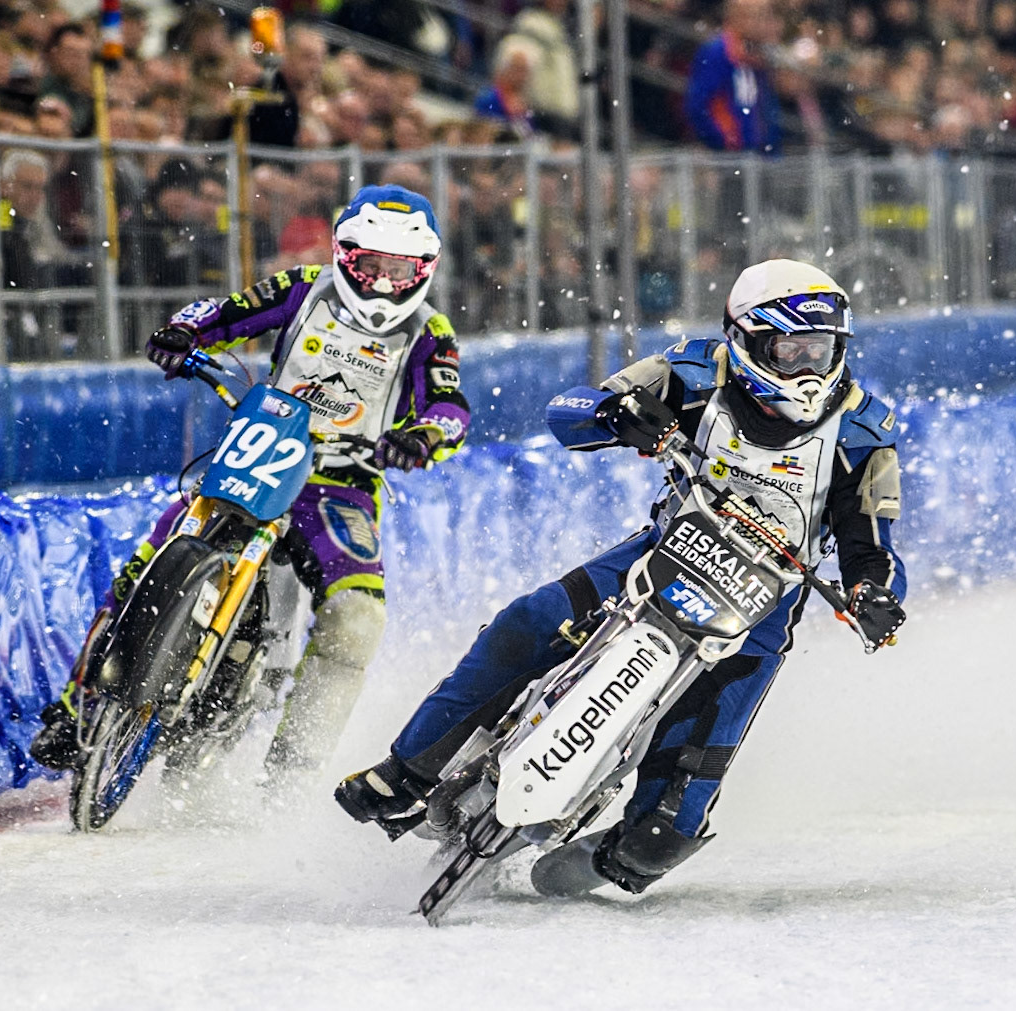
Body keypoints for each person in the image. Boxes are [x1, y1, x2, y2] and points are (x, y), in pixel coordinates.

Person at [336, 259, 907, 896]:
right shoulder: (691, 371)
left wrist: (875, 595)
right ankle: (408, 771)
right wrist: (616, 415)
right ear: (745, 339)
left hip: (762, 609)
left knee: (661, 839)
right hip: (662, 551)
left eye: (819, 350)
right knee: (527, 623)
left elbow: (873, 544)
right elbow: (572, 409)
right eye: (789, 350)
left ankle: (611, 852)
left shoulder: (864, 431)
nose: (807, 369)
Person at [31, 185, 471, 792]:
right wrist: (183, 333)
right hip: (262, 447)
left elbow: (449, 404)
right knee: (151, 555)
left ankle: (290, 776)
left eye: (397, 271)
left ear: (422, 271)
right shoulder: (303, 286)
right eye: (369, 264)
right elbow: (226, 311)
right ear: (344, 255)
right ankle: (75, 706)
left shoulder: (430, 331)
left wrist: (422, 436)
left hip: (341, 484)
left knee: (358, 616)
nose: (380, 283)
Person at [684, 0, 784, 154]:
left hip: (761, 152)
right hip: (730, 154)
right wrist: (726, 140)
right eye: (756, 16)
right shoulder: (718, 52)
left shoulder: (759, 55)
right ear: (737, 18)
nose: (762, 24)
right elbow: (701, 104)